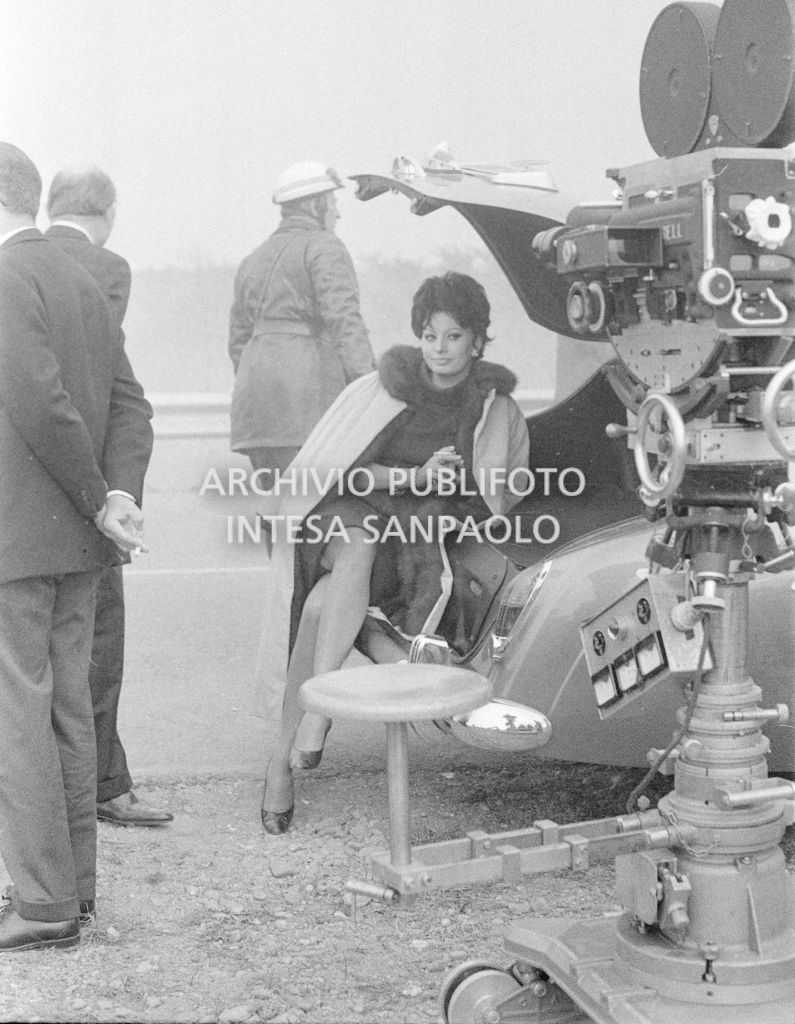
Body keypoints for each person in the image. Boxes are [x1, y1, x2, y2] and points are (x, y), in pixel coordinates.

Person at [256, 272, 530, 833]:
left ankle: (279, 763)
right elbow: (343, 471)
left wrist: (459, 487)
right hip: (351, 517)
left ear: (477, 340)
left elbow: (506, 495)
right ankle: (319, 712)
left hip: (416, 544)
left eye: (454, 337)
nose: (440, 349)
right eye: (431, 336)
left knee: (317, 612)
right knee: (357, 544)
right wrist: (416, 477)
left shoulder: (496, 408)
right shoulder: (385, 388)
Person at [0, 143, 153, 950]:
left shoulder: (4, 278)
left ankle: (44, 903)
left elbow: (37, 403)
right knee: (65, 711)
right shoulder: (84, 280)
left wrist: (98, 502)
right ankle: (75, 893)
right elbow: (132, 407)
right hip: (79, 551)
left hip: (17, 545)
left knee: (16, 719)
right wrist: (115, 498)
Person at [45, 164, 172, 827]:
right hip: (86, 487)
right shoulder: (106, 267)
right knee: (100, 641)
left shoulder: (18, 264)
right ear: (107, 211)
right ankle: (100, 785)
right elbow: (102, 382)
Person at [228, 161, 375, 476]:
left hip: (255, 414)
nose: (337, 212)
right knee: (320, 511)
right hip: (306, 408)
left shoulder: (251, 260)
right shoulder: (324, 245)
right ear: (315, 204)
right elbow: (345, 322)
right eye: (333, 202)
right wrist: (370, 390)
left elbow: (238, 343)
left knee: (278, 511)